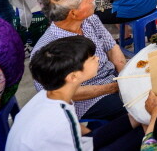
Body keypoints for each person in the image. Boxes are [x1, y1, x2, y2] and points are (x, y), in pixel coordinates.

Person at [8, 36, 144, 150]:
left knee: (138, 120)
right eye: (91, 58)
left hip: (71, 144)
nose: (97, 58)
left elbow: (84, 135)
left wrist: (136, 118)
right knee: (147, 132)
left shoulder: (48, 96)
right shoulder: (59, 118)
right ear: (73, 76)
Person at [32, 0, 127, 123]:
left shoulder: (89, 19)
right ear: (73, 13)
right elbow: (61, 93)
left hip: (112, 79)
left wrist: (124, 76)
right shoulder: (48, 51)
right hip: (87, 99)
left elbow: (111, 47)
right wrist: (113, 88)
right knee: (132, 108)